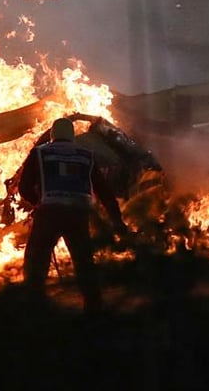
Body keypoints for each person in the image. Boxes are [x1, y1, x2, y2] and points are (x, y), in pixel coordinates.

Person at [18, 118, 128, 311]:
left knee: (36, 260)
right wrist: (116, 220)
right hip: (78, 214)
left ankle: (34, 306)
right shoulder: (85, 156)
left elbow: (24, 187)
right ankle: (94, 308)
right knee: (84, 261)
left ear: (52, 135)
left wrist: (38, 202)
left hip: (49, 213)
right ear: (72, 135)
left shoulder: (40, 153)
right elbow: (104, 191)